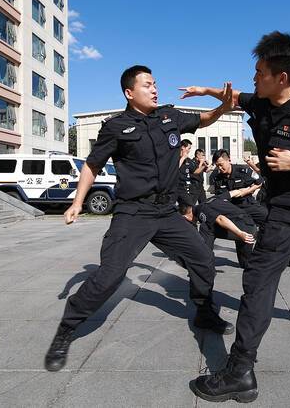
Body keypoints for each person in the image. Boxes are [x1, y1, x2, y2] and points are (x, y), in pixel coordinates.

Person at [180, 31, 290, 402]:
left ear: (282, 77)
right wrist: (206, 91)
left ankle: (240, 371)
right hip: (277, 202)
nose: (254, 78)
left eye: (260, 72)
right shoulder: (264, 102)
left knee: (259, 278)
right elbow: (235, 98)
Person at [44, 65, 236, 372]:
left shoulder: (170, 117)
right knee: (110, 276)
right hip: (133, 212)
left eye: (155, 83)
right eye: (147, 85)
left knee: (203, 258)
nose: (155, 89)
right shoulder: (115, 127)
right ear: (129, 93)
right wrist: (77, 202)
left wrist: (223, 107)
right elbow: (92, 165)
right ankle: (66, 328)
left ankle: (203, 310)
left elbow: (205, 119)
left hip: (167, 212)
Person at [179, 196, 256, 269]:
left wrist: (240, 233)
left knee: (206, 226)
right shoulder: (210, 200)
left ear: (185, 217)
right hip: (249, 225)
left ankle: (204, 261)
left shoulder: (200, 210)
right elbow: (234, 193)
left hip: (243, 232)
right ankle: (250, 262)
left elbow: (221, 219)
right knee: (246, 264)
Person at [210, 149, 267, 226]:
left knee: (268, 218)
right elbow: (219, 197)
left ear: (229, 160)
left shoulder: (243, 171)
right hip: (230, 208)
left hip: (247, 204)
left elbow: (259, 182)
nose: (219, 168)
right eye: (217, 166)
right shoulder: (217, 178)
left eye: (221, 164)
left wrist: (246, 191)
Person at [178, 139, 197, 205]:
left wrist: (203, 165)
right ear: (182, 147)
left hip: (185, 186)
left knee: (187, 206)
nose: (189, 151)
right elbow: (174, 169)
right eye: (188, 148)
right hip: (176, 186)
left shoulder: (188, 160)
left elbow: (195, 171)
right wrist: (182, 158)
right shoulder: (175, 157)